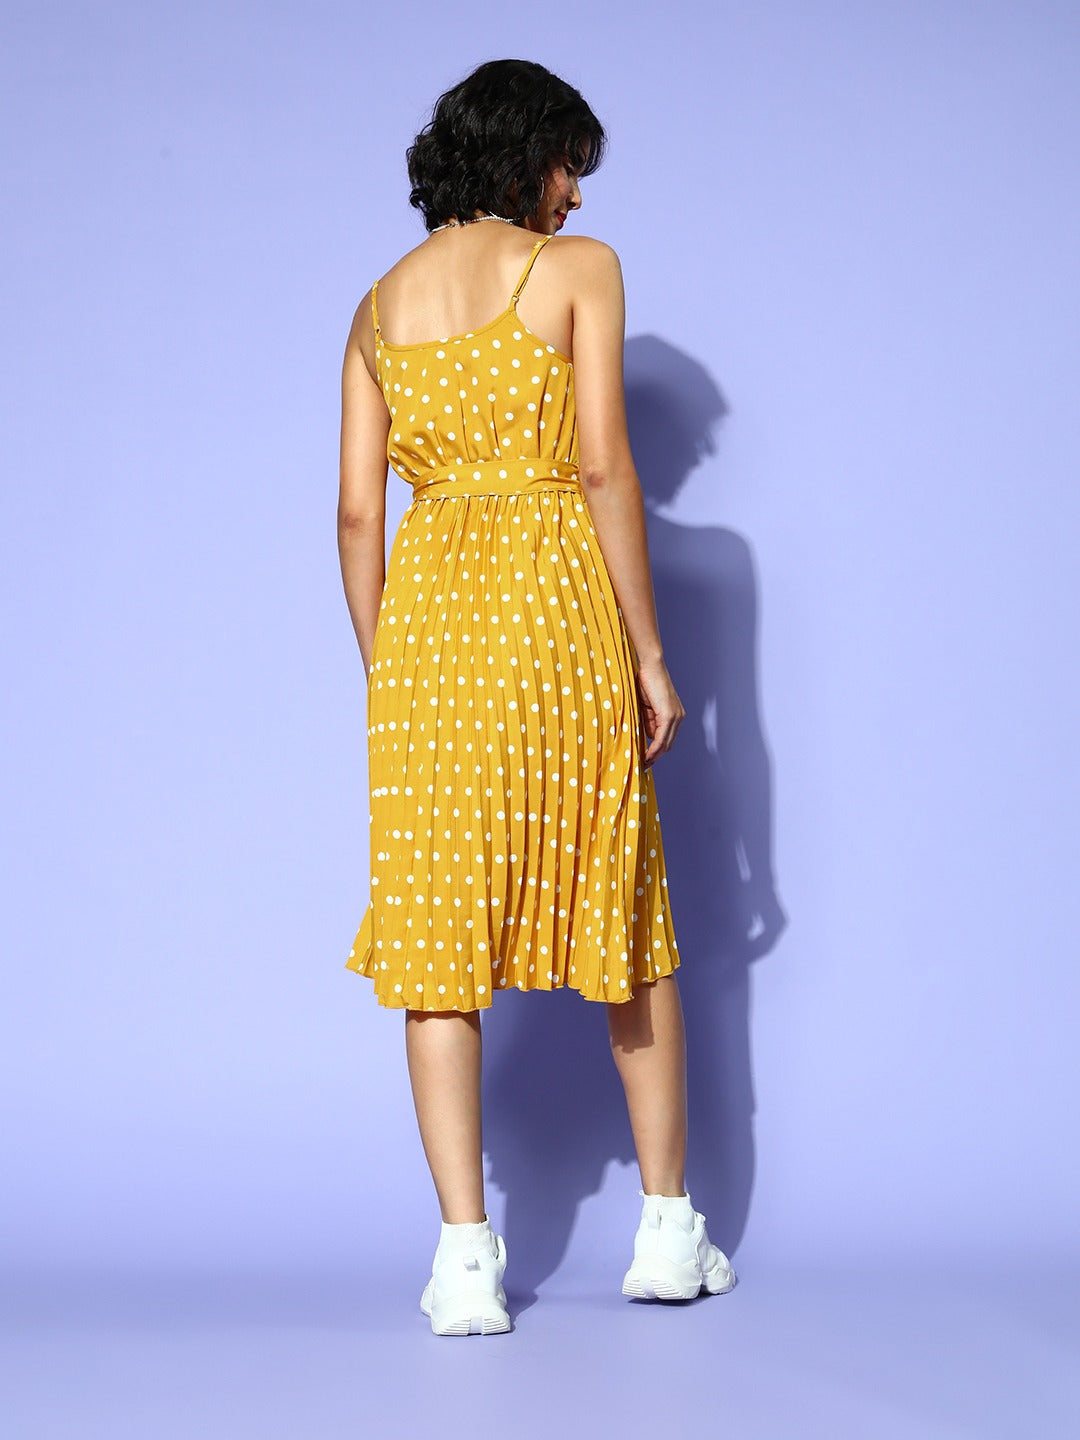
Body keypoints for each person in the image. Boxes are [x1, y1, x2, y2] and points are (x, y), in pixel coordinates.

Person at [337, 58, 736, 1335]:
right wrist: (653, 660)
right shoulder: (578, 270)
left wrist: (392, 673)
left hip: (429, 643)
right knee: (622, 915)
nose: (574, 195)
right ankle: (667, 1233)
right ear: (527, 153)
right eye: (568, 164)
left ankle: (465, 1261)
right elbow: (606, 467)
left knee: (436, 946)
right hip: (556, 617)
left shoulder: (376, 309)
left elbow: (357, 517)